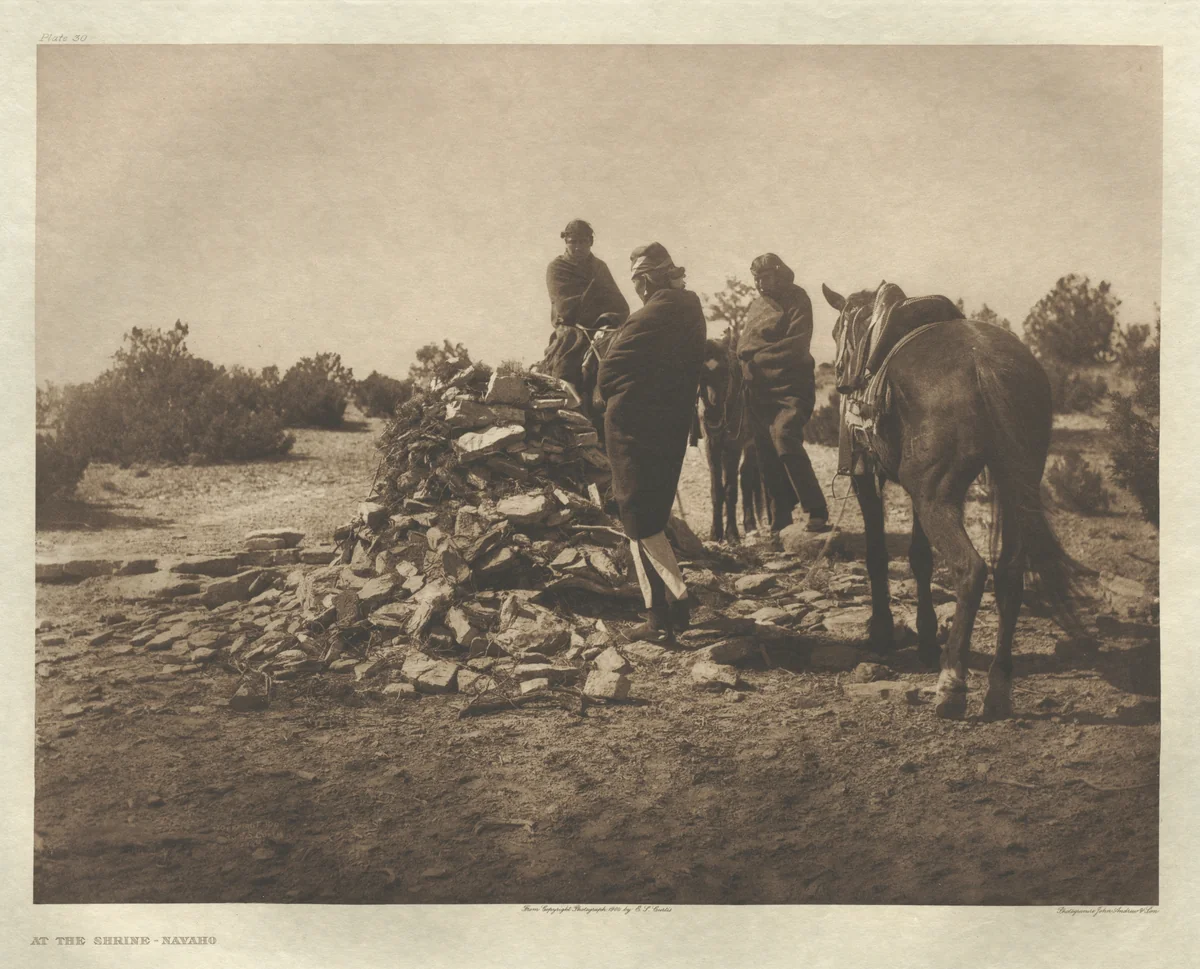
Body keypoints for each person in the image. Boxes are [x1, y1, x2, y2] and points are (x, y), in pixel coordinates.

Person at [598, 243, 706, 643]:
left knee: (636, 515)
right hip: (669, 425)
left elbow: (612, 367)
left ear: (648, 279)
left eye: (640, 281)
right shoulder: (686, 310)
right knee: (647, 516)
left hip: (635, 427)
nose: (639, 289)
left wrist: (606, 389)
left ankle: (668, 609)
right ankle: (668, 608)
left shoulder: (656, 311)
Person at [737, 252, 830, 533]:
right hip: (758, 390)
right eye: (757, 279)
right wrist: (743, 363)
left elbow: (796, 344)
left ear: (780, 273)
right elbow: (744, 345)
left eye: (766, 277)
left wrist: (755, 361)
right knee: (765, 451)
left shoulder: (798, 298)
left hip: (791, 387)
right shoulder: (757, 305)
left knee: (784, 436)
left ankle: (816, 509)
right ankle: (781, 517)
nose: (761, 283)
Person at [541, 220, 630, 393]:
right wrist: (597, 299)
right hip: (572, 327)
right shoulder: (557, 267)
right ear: (565, 242)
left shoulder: (600, 267)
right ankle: (565, 400)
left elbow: (618, 302)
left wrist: (607, 318)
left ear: (591, 242)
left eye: (582, 242)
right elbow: (564, 305)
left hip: (603, 324)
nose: (577, 247)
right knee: (566, 361)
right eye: (572, 241)